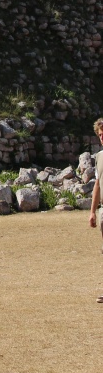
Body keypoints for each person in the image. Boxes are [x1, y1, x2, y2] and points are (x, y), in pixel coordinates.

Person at [89, 119, 103, 301]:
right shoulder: (99, 157)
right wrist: (92, 211)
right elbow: (98, 185)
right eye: (100, 135)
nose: (102, 137)